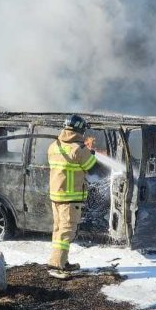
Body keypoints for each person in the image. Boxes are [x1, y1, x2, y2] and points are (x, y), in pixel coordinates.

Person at [46, 114, 98, 278]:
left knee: (59, 231)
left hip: (56, 196)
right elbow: (92, 168)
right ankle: (56, 266)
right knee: (67, 231)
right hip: (70, 198)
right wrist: (91, 153)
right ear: (80, 130)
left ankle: (62, 261)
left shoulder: (54, 146)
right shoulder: (78, 149)